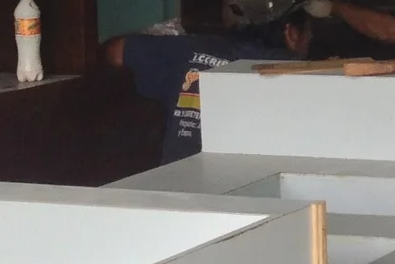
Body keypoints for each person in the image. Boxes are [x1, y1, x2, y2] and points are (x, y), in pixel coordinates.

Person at [105, 10, 309, 164]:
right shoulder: (302, 77)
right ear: (291, 34)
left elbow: (116, 51)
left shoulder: (192, 49)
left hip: (179, 185)